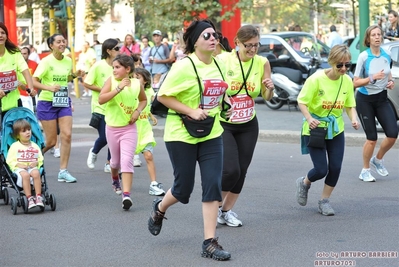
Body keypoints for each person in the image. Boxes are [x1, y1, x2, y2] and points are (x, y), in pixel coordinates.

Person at [147, 19, 231, 261]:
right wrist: (191, 111)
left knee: (213, 184)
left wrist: (227, 105)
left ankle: (209, 242)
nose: (213, 39)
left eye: (214, 35)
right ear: (195, 42)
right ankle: (159, 208)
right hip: (181, 133)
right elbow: (162, 96)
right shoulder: (184, 66)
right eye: (206, 35)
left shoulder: (219, 64)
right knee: (183, 190)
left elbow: (219, 92)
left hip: (212, 132)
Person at [216, 25, 274, 227]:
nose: (253, 49)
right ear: (237, 43)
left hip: (249, 123)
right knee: (230, 170)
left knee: (242, 169)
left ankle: (226, 211)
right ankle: (213, 207)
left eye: (256, 45)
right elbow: (212, 88)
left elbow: (266, 96)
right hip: (225, 123)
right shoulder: (223, 60)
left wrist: (269, 89)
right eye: (248, 45)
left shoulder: (262, 62)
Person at [296, 44, 360, 215]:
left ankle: (324, 201)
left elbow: (349, 105)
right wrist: (309, 119)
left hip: (336, 129)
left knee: (336, 167)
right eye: (340, 65)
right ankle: (305, 182)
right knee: (321, 170)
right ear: (331, 62)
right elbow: (301, 101)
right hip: (315, 129)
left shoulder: (346, 80)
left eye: (347, 65)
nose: (344, 68)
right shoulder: (316, 79)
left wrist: (354, 119)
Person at [33, 33, 84, 183]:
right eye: (58, 42)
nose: (62, 44)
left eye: (63, 41)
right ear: (51, 45)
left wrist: (75, 75)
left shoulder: (68, 60)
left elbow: (65, 78)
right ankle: (31, 158)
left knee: (67, 135)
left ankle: (63, 171)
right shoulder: (46, 62)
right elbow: (34, 81)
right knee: (50, 141)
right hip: (47, 102)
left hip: (63, 101)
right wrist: (48, 88)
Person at [98, 54, 147, 209]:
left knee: (127, 161)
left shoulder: (136, 84)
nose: (114, 70)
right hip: (112, 127)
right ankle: (114, 178)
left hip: (129, 128)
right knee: (115, 162)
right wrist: (118, 88)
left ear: (127, 69)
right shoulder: (111, 81)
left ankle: (126, 196)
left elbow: (143, 100)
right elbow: (101, 99)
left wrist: (137, 112)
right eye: (113, 67)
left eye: (117, 67)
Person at [353, 25, 398, 182]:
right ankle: (365, 170)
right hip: (365, 100)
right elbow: (355, 82)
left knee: (393, 134)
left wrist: (390, 81)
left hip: (381, 98)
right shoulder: (363, 57)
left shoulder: (387, 54)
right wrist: (372, 78)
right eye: (374, 35)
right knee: (371, 138)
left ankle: (377, 160)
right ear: (368, 38)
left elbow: (388, 71)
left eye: (379, 34)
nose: (377, 37)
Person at [84, 38, 120, 173]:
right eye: (116, 49)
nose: (119, 51)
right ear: (108, 51)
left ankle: (109, 163)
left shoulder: (118, 66)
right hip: (100, 107)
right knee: (105, 137)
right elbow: (87, 83)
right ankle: (94, 151)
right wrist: (103, 91)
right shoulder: (99, 66)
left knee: (114, 137)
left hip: (115, 107)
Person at [134, 67, 165, 196]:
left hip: (145, 128)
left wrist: (151, 115)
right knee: (123, 159)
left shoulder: (149, 91)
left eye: (138, 77)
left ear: (145, 81)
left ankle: (153, 184)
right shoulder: (129, 91)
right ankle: (118, 178)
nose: (134, 80)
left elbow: (147, 106)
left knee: (148, 156)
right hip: (131, 128)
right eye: (133, 77)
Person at [6, 119, 44, 209]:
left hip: (32, 166)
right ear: (17, 135)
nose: (28, 132)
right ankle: (29, 198)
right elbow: (9, 160)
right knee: (25, 175)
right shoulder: (14, 146)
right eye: (24, 131)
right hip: (20, 168)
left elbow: (40, 158)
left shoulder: (34, 145)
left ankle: (38, 196)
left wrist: (37, 163)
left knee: (36, 173)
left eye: (29, 130)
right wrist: (17, 164)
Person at [0, 23, 35, 117]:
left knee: (17, 131)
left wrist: (31, 88)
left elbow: (25, 70)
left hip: (14, 105)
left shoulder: (14, 53)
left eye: (3, 33)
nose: (0, 35)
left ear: (6, 36)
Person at [18, 46, 38, 112]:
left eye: (24, 54)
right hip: (21, 95)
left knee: (33, 115)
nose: (22, 55)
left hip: (32, 94)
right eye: (21, 54)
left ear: (28, 54)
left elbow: (37, 79)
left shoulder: (34, 64)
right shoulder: (16, 65)